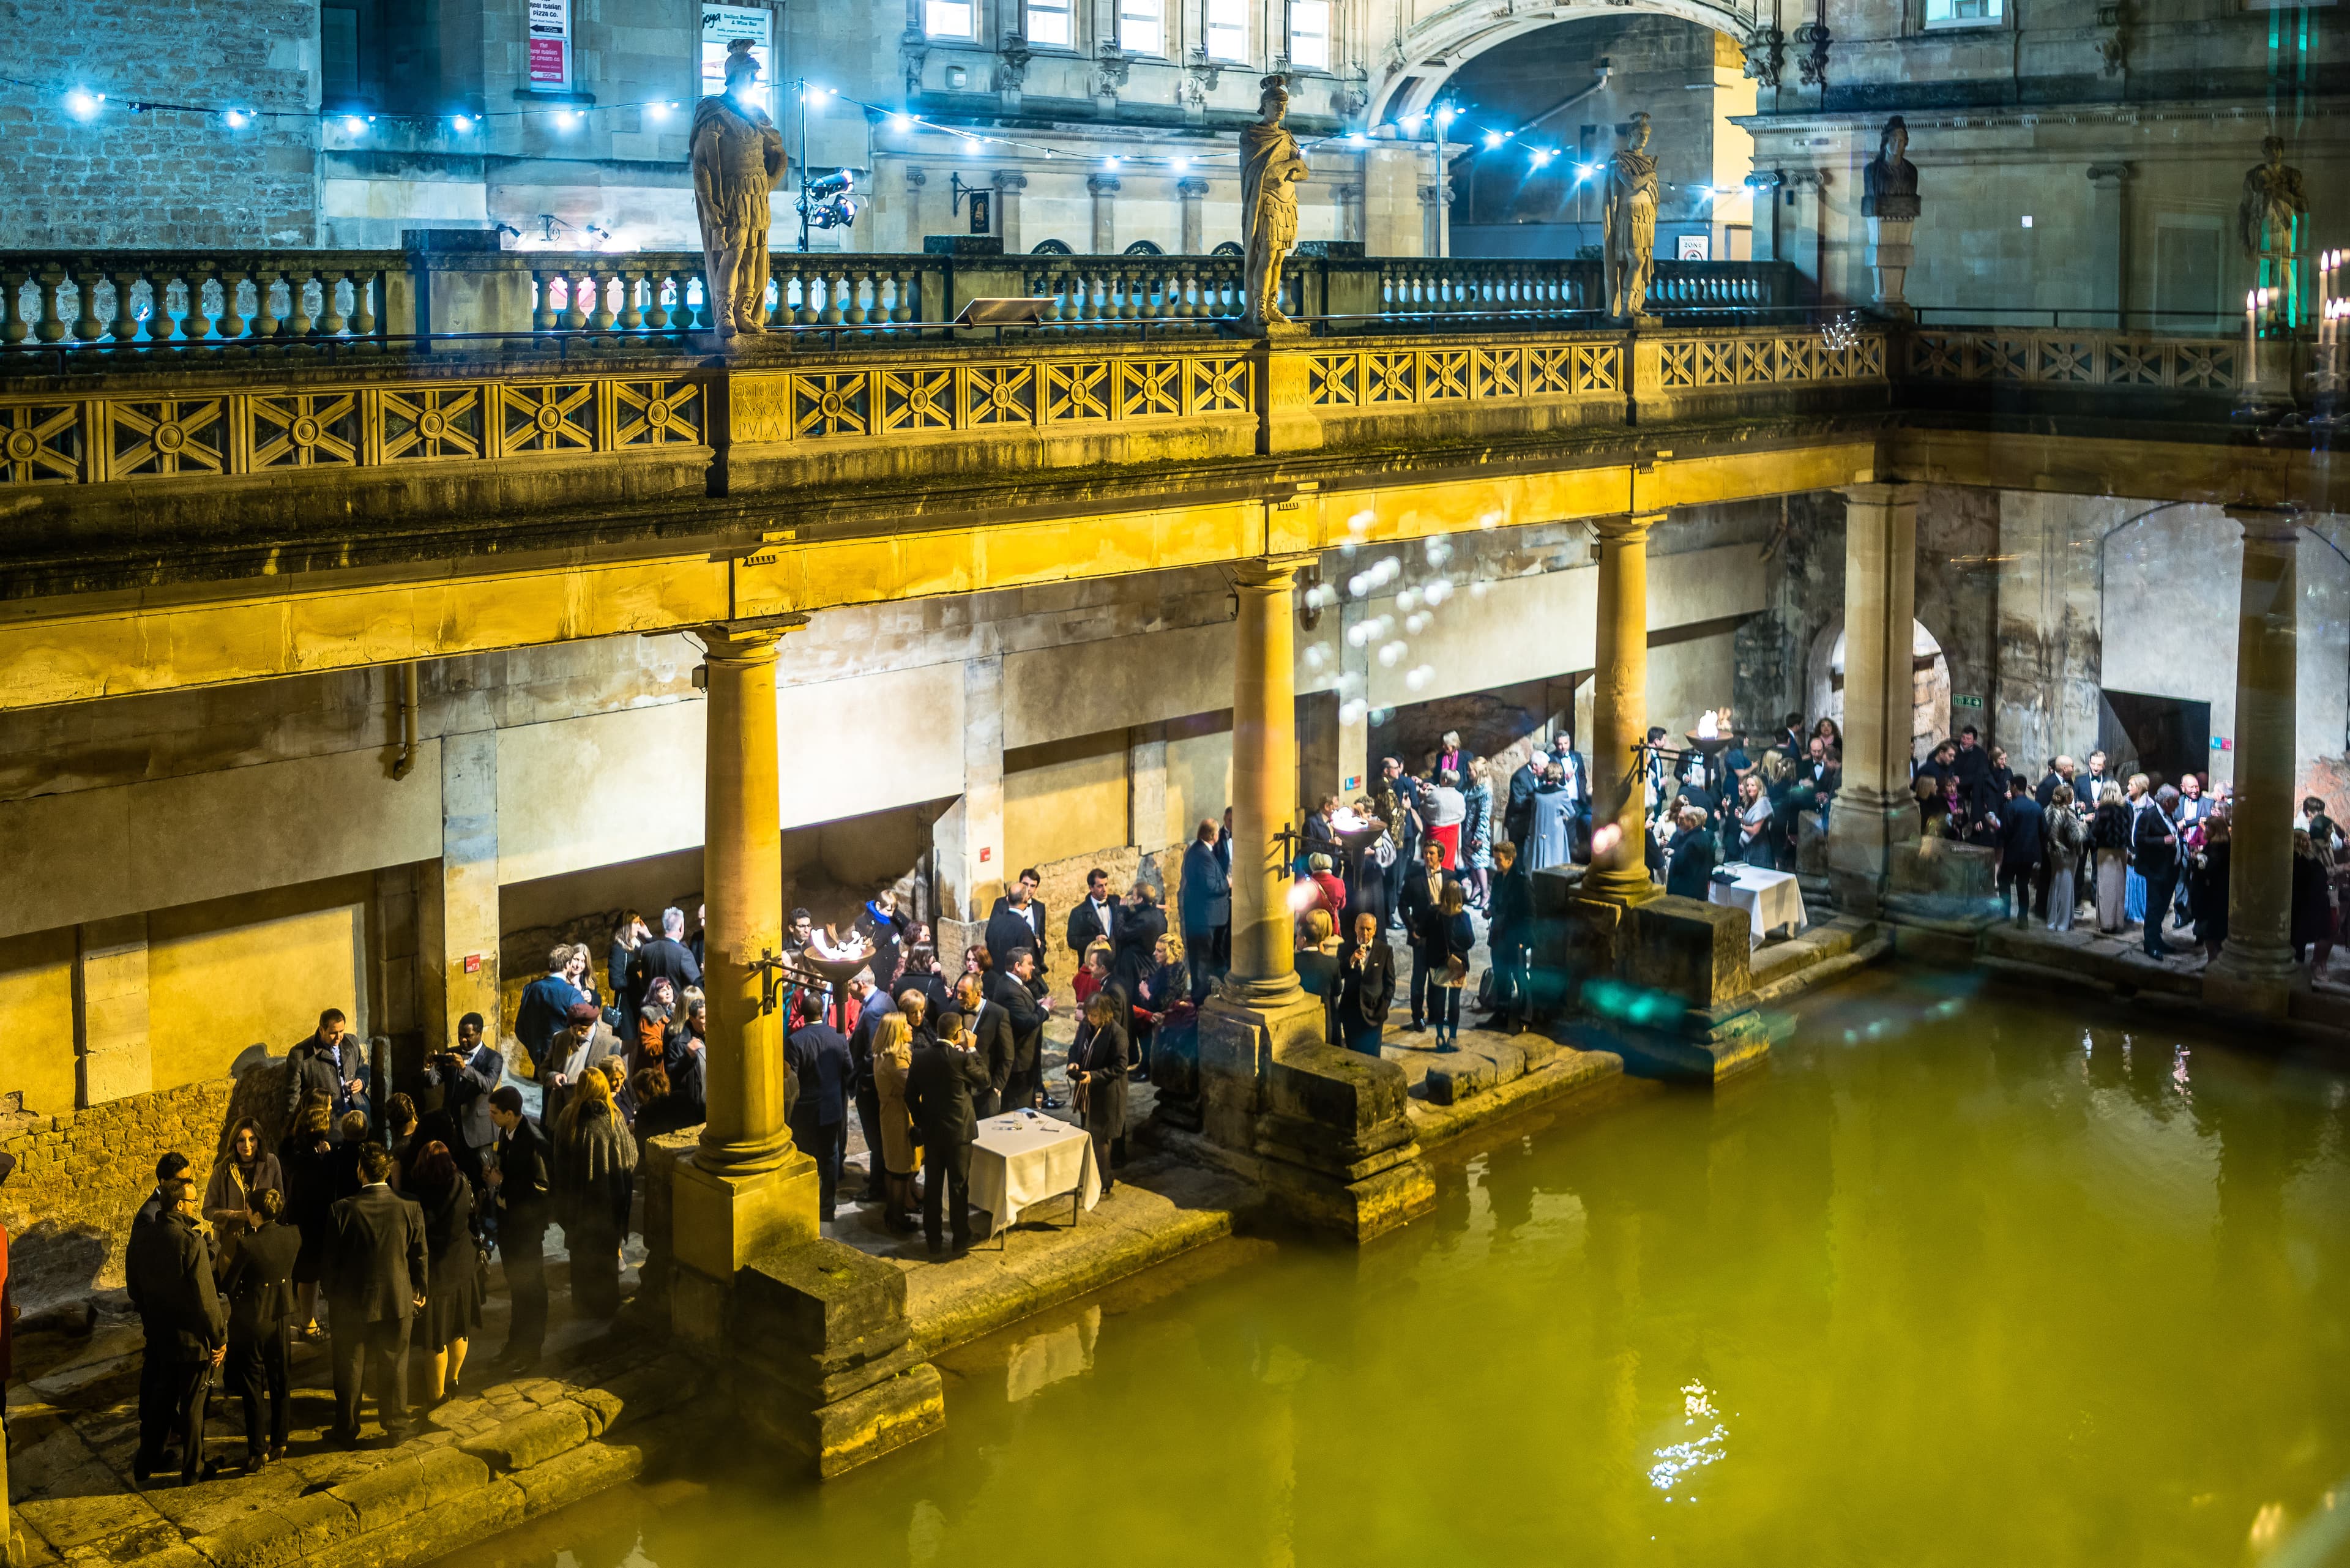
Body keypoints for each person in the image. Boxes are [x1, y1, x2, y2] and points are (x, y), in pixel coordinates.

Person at [127, 1152, 226, 1485]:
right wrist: (220, 1338)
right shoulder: (190, 1241)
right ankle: (193, 1468)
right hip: (190, 1342)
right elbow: (206, 1299)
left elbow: (133, 1283)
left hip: (160, 1336)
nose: (196, 1205)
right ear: (180, 1206)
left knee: (161, 1404)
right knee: (194, 1406)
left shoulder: (146, 1234)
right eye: (193, 1200)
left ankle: (145, 1464)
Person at [325, 1142, 428, 1447]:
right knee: (395, 1363)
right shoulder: (410, 1206)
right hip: (397, 1298)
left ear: (361, 1171)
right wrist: (420, 1287)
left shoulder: (341, 1210)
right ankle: (396, 1426)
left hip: (351, 1303)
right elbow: (420, 1254)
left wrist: (329, 1296)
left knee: (349, 1367)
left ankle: (346, 1429)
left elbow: (330, 1262)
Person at [217, 1185, 299, 1473]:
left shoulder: (248, 1245)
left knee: (254, 1386)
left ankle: (257, 1451)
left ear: (256, 1214)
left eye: (249, 1210)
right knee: (281, 1380)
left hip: (253, 1321)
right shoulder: (293, 1235)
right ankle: (281, 1441)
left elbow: (228, 1285)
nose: (247, 1213)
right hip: (281, 1316)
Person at [550, 1069, 635, 1319]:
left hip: (577, 1206)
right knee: (605, 1259)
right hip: (606, 1206)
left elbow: (559, 1161)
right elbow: (630, 1157)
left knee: (581, 1259)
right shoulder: (613, 1118)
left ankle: (583, 1306)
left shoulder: (568, 1116)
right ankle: (605, 1306)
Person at [904, 1012, 991, 1254]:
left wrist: (923, 1121)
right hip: (960, 1133)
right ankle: (960, 1238)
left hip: (932, 1132)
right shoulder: (961, 1059)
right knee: (958, 1186)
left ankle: (933, 1239)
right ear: (958, 1033)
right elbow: (985, 1080)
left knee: (932, 1185)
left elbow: (910, 1095)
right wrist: (972, 1050)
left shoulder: (920, 1058)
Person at [405, 1141, 482, 1406]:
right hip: (462, 1265)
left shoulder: (417, 1197)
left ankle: (436, 1396)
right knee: (459, 1330)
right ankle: (454, 1379)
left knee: (435, 1341)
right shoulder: (462, 1183)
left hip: (436, 1274)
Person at [484, 1086, 551, 1371]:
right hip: (510, 1227)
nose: (491, 1118)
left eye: (495, 1113)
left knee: (531, 1291)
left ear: (510, 1114)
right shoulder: (505, 1132)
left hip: (526, 1230)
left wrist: (502, 1183)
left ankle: (530, 1351)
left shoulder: (533, 1141)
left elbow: (542, 1187)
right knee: (517, 1288)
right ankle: (515, 1345)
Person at [783, 990, 852, 1223]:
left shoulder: (795, 1041)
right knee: (831, 1156)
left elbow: (791, 1078)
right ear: (822, 1011)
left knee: (805, 1155)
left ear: (802, 1014)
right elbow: (848, 1068)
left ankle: (805, 1204)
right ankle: (827, 1209)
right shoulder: (838, 1036)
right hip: (832, 1107)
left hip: (806, 1110)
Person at [277, 1101, 336, 1342]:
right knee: (309, 1277)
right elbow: (323, 1190)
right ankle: (307, 1322)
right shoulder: (313, 1163)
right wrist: (327, 1157)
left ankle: (308, 1318)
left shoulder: (292, 1151)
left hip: (299, 1221)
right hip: (312, 1225)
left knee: (308, 1275)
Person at [1067, 991, 1133, 1192]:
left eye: (1094, 1015)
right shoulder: (1086, 1026)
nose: (1090, 1018)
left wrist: (1093, 1076)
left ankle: (1104, 1181)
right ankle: (1091, 1175)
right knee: (1088, 1132)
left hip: (1106, 1094)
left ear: (1104, 1014)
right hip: (1086, 1091)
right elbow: (1076, 1048)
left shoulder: (1117, 1033)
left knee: (1101, 1138)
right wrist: (1073, 1063)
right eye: (1088, 1014)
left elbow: (1120, 1067)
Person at [870, 1012, 922, 1234]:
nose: (911, 1028)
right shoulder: (896, 1061)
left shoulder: (883, 1055)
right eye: (906, 1026)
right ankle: (897, 1218)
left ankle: (893, 1214)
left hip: (890, 1116)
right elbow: (912, 1090)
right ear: (896, 1032)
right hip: (900, 1119)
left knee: (894, 1169)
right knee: (900, 1172)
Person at [1480, 842, 1534, 1032]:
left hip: (1514, 938)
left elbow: (1529, 914)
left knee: (1520, 977)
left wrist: (1523, 941)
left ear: (1510, 860)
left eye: (1499, 860)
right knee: (1502, 976)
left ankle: (1525, 1018)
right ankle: (1501, 1014)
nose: (1496, 863)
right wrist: (1490, 911)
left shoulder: (1522, 882)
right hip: (1499, 935)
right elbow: (1496, 903)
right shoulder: (1498, 880)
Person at [284, 1007, 368, 1129]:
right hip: (326, 1120)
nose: (339, 1037)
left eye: (342, 1031)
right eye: (333, 1033)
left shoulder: (351, 1042)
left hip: (357, 1111)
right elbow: (292, 1096)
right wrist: (296, 1128)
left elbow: (362, 1066)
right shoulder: (300, 1054)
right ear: (321, 1030)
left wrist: (362, 1081)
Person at [989, 949, 1050, 1112]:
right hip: (1019, 1062)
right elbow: (1025, 1022)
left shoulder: (1013, 984)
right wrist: (1044, 1009)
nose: (1033, 968)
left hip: (1025, 1061)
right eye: (1029, 964)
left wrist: (1037, 1005)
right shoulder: (1010, 990)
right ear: (1017, 966)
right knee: (1018, 1110)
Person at [1397, 838, 1448, 1032]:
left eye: (1432, 853)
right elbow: (1402, 906)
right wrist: (1413, 928)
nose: (1427, 856)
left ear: (1440, 856)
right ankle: (1417, 1017)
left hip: (1441, 938)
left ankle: (1437, 1015)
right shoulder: (1414, 878)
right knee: (1419, 979)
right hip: (1422, 938)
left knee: (1439, 979)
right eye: (1425, 853)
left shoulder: (1450, 877)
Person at [515, 947, 588, 1081]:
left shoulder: (530, 989)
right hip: (564, 1062)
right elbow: (586, 1025)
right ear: (567, 965)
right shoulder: (571, 993)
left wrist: (535, 1051)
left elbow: (520, 1027)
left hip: (538, 1060)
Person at [203, 1118, 283, 1239]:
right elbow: (207, 1210)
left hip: (264, 1239)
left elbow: (281, 1199)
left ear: (259, 1140)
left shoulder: (271, 1163)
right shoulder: (222, 1169)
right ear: (234, 1142)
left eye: (252, 1139)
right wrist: (234, 1215)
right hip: (232, 1241)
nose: (247, 1145)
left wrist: (265, 1216)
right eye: (241, 1140)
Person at [1132, 930, 1195, 1080]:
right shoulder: (1165, 968)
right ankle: (1144, 1065)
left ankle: (1148, 1069)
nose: (1155, 954)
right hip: (1155, 1012)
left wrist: (1147, 993)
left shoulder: (1175, 971)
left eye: (1159, 951)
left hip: (1167, 1017)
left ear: (1170, 952)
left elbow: (1165, 1002)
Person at [1179, 819, 1231, 1000]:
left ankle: (1209, 994)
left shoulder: (1198, 851)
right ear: (1214, 835)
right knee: (1201, 963)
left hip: (1206, 917)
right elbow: (1210, 886)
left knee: (1210, 960)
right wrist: (1227, 883)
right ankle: (1200, 1001)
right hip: (1204, 919)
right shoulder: (1202, 855)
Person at [1335, 912, 1397, 1057]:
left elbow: (1390, 983)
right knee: (1353, 1056)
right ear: (1356, 928)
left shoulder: (1385, 950)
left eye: (1369, 929)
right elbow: (1338, 975)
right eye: (1362, 928)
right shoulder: (1345, 947)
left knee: (1373, 1057)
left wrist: (1383, 1008)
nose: (1365, 933)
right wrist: (1350, 961)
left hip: (1374, 1012)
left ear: (1374, 930)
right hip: (1351, 1011)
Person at [626, 906, 703, 1022]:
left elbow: (645, 983)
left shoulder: (647, 950)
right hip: (677, 1015)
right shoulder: (683, 954)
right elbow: (697, 988)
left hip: (653, 1014)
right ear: (681, 927)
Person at [2134, 784, 2184, 959]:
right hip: (2156, 870)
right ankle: (2151, 944)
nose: (2179, 804)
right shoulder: (2149, 816)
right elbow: (2139, 840)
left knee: (2162, 907)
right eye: (2176, 801)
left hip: (2170, 870)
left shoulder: (2169, 814)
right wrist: (2162, 840)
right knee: (2154, 907)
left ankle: (2158, 939)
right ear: (2167, 801)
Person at [957, 973, 1015, 1118]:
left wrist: (996, 1087)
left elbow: (1007, 1056)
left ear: (978, 994)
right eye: (958, 992)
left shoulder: (999, 1014)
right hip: (960, 1091)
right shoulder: (954, 1008)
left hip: (986, 1091)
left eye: (964, 994)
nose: (959, 997)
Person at [1425, 881, 1475, 1050]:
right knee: (1454, 1001)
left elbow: (1425, 935)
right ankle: (1453, 1038)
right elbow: (1470, 941)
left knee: (1439, 1000)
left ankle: (1439, 1036)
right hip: (1458, 965)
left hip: (1439, 963)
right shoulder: (1463, 917)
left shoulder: (1434, 915)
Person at [1992, 775, 2045, 926]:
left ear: (2015, 787)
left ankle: (2005, 914)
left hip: (2013, 853)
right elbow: (2044, 831)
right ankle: (2023, 918)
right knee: (2023, 884)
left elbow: (2004, 831)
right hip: (2029, 855)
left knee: (2004, 881)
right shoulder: (2037, 807)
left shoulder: (2011, 807)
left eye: (2011, 787)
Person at [986, 868, 1051, 978]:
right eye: (1025, 884)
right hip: (1004, 966)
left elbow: (1042, 937)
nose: (1029, 889)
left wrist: (1039, 949)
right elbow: (992, 933)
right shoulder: (1001, 904)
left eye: (1033, 886)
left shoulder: (1039, 908)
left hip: (1030, 967)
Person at [1111, 883, 1168, 1004]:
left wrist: (1121, 910)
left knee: (1138, 1003)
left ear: (1141, 899)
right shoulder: (1158, 914)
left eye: (1134, 896)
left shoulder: (1144, 919)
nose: (1132, 898)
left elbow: (1121, 933)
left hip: (1139, 969)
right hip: (1151, 965)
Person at [1294, 909, 1343, 1045]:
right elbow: (1338, 990)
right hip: (1327, 1011)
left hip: (1301, 1011)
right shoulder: (1332, 963)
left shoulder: (1293, 961)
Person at [2089, 781, 2132, 933]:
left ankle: (2106, 924)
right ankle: (2118, 922)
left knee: (2106, 889)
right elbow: (2129, 829)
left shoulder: (2104, 810)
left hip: (2106, 851)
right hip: (2121, 851)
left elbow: (2095, 831)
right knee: (2119, 887)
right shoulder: (2127, 808)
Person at [2043, 783, 2084, 933]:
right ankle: (2062, 924)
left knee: (2055, 886)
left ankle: (2052, 920)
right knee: (2066, 889)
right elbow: (2076, 838)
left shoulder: (2048, 810)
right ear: (2068, 798)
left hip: (2054, 853)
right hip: (2067, 855)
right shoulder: (2068, 813)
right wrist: (2083, 827)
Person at [2191, 815, 2232, 961]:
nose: (2205, 830)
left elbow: (2210, 871)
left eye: (2208, 827)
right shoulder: (2216, 845)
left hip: (2214, 896)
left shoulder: (2219, 848)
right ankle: (2213, 962)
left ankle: (2214, 963)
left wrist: (2198, 861)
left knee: (2213, 934)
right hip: (2213, 895)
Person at [1066, 867, 1122, 969]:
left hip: (1117, 963)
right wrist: (1094, 940)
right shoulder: (1079, 912)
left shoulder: (1116, 902)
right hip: (1093, 967)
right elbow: (1072, 941)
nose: (1104, 889)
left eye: (1106, 885)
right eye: (1100, 886)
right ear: (1091, 888)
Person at [1524, 763, 1577, 872]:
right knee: (1555, 862)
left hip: (1538, 831)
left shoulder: (1537, 793)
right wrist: (1564, 818)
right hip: (1555, 833)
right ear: (1559, 776)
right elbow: (1571, 813)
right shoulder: (1562, 794)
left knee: (1538, 862)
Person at [1665, 804, 1718, 900]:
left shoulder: (1694, 842)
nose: (1678, 822)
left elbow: (1683, 868)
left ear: (1692, 821)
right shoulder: (1689, 837)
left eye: (1682, 819)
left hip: (1688, 897)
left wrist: (1674, 855)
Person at [1463, 758, 1496, 909]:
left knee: (1479, 862)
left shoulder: (1485, 791)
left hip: (1478, 832)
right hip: (1468, 830)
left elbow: (1484, 814)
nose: (1468, 772)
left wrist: (1479, 837)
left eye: (1471, 770)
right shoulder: (1469, 787)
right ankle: (1476, 887)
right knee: (1471, 862)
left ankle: (1485, 893)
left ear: (1479, 772)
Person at [1422, 768, 1467, 870]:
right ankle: (1447, 881)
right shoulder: (1460, 796)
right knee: (1448, 859)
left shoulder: (1435, 795)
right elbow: (1462, 815)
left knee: (1433, 859)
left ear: (1444, 780)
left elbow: (1425, 809)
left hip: (1435, 831)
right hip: (1453, 832)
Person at [608, 911, 648, 1004]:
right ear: (626, 926)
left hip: (641, 1002)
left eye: (639, 922)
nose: (639, 926)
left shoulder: (640, 947)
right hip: (627, 1005)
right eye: (636, 923)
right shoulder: (618, 949)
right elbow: (615, 982)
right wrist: (637, 980)